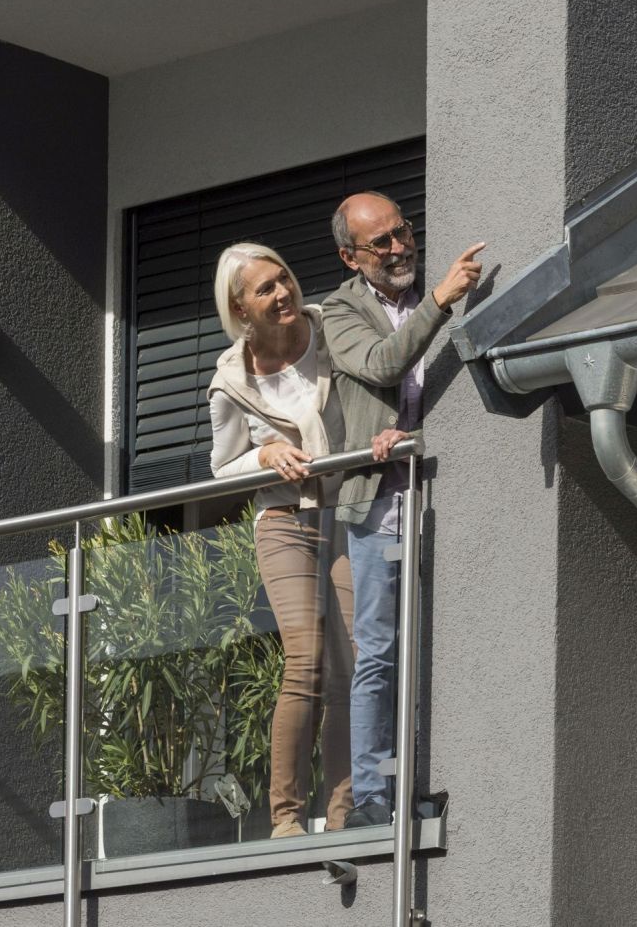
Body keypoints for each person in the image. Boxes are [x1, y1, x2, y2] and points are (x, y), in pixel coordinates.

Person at [319, 192, 485, 828]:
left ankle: (411, 785)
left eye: (402, 232)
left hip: (436, 484)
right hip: (378, 499)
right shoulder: (341, 308)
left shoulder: (427, 289)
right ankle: (370, 798)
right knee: (381, 651)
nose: (398, 248)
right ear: (350, 256)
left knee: (430, 645)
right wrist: (442, 300)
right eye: (380, 243)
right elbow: (385, 366)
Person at [206, 241, 356, 838]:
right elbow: (222, 468)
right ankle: (287, 818)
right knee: (306, 661)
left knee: (352, 664)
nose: (282, 292)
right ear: (240, 309)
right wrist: (264, 453)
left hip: (349, 514)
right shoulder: (229, 382)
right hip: (286, 523)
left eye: (284, 278)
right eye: (265, 288)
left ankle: (344, 814)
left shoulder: (330, 331)